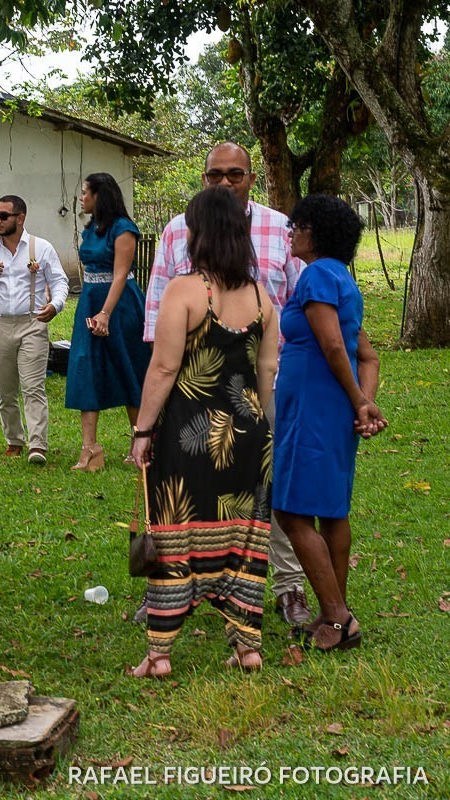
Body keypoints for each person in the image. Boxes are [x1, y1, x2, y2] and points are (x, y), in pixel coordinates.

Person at [142, 141, 312, 627]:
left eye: (234, 174)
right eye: (214, 175)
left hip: (264, 386)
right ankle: (171, 588)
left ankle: (287, 585)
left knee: (265, 494)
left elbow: (300, 312)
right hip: (188, 396)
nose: (224, 183)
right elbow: (157, 323)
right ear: (202, 178)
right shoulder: (178, 230)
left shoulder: (281, 230)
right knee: (179, 494)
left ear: (251, 178)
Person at [128, 188, 279, 677]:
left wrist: (141, 430)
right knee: (245, 540)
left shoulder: (186, 290)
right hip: (250, 436)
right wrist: (265, 435)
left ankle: (160, 655)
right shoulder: (263, 298)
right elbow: (267, 373)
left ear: (199, 234)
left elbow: (164, 367)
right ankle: (247, 647)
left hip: (188, 434)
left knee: (176, 537)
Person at [273, 194, 386, 652]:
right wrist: (362, 404)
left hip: (313, 408)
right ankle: (332, 611)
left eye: (295, 226)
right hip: (333, 407)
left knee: (291, 509)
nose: (291, 234)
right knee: (331, 510)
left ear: (313, 231)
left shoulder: (317, 274)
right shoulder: (341, 277)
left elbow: (335, 348)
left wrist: (359, 400)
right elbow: (370, 355)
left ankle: (338, 619)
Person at [0, 195, 69, 464]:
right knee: (5, 389)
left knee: (33, 386)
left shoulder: (40, 248)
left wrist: (55, 306)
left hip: (33, 323)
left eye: (3, 216)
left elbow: (59, 281)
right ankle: (14, 440)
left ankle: (38, 445)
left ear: (20, 218)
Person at [64, 173, 152, 472]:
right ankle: (90, 447)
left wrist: (105, 313)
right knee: (85, 366)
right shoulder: (91, 229)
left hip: (121, 305)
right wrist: (94, 310)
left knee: (128, 366)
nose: (81, 197)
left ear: (101, 195)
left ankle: (139, 439)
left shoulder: (124, 228)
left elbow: (120, 274)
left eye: (85, 192)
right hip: (89, 299)